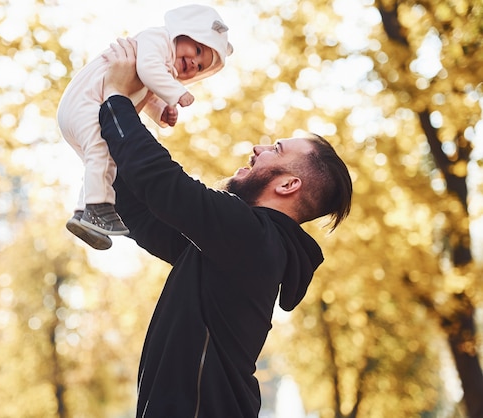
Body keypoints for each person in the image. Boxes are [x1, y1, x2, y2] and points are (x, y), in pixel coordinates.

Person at [98, 38, 353, 417]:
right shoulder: (235, 249)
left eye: (276, 150)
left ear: (287, 185)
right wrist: (114, 127)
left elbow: (165, 185)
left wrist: (116, 99)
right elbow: (147, 216)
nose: (259, 147)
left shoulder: (255, 239)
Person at [57, 4, 234, 250]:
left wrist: (161, 110)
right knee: (101, 153)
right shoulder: (158, 39)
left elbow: (144, 92)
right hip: (85, 105)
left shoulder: (162, 68)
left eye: (200, 66)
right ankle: (98, 208)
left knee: (104, 160)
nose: (194, 63)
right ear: (183, 32)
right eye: (196, 49)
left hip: (91, 110)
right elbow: (147, 69)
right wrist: (176, 93)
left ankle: (83, 213)